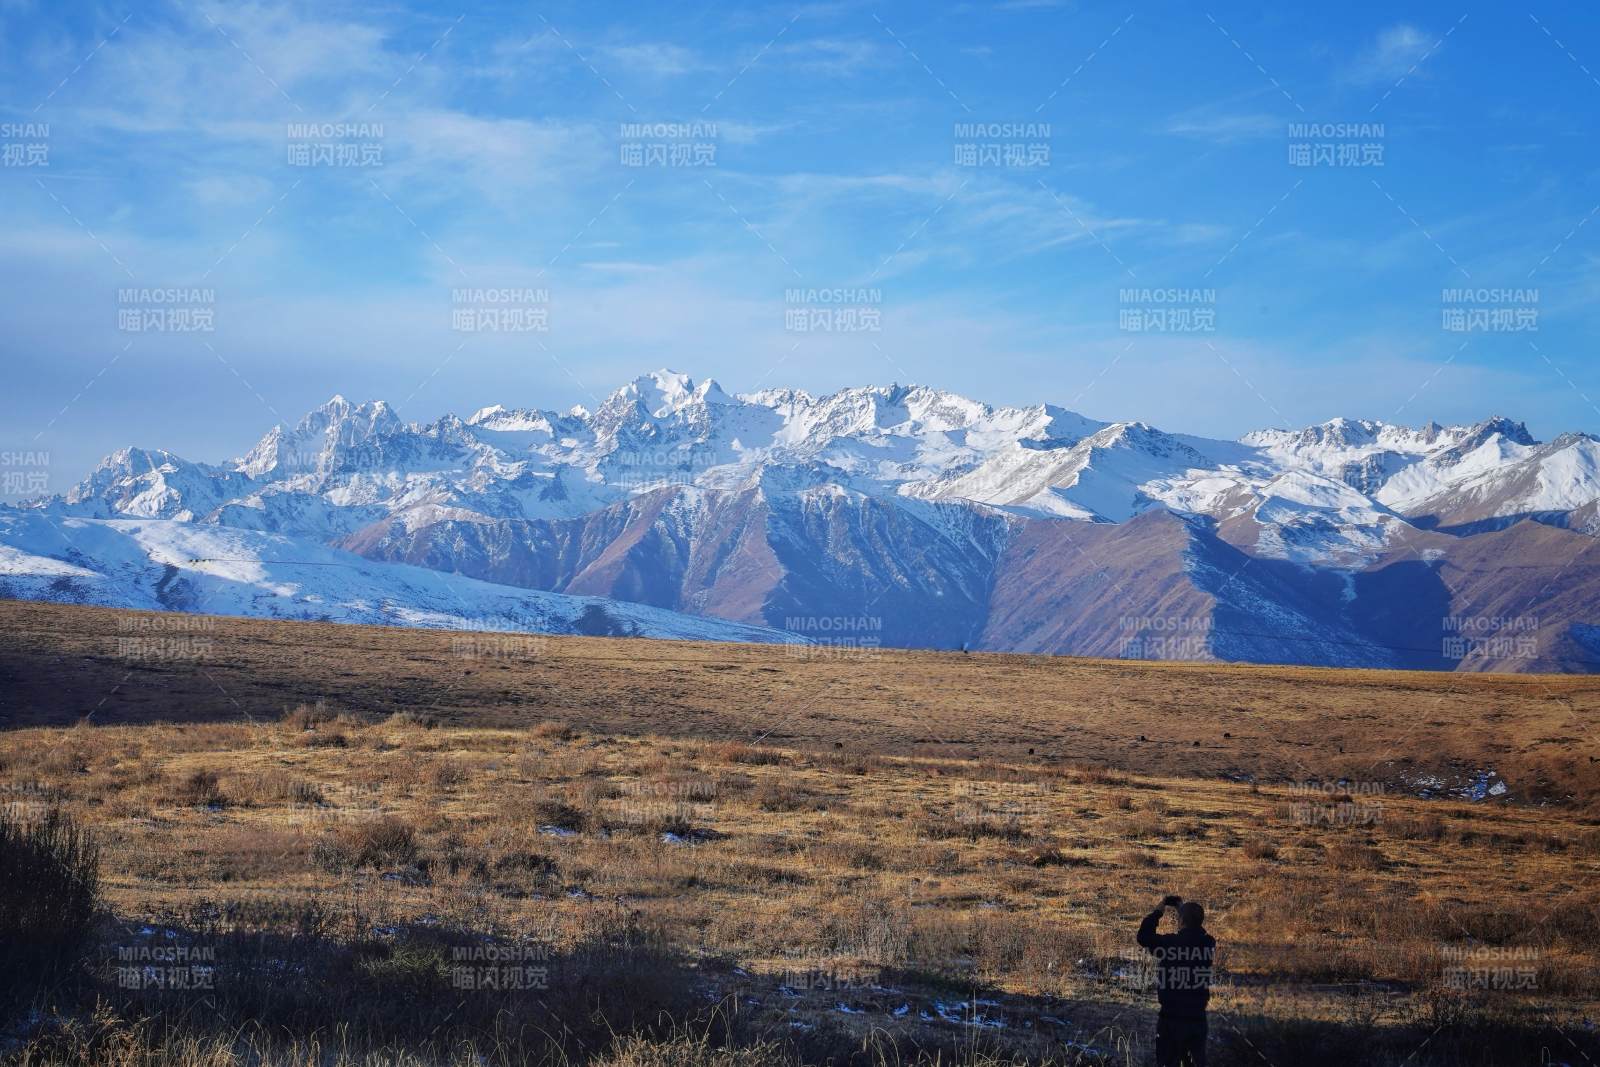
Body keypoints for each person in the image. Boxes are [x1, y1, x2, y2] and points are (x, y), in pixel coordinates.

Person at [1135, 894, 1216, 1067]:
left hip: (1170, 1018)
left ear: (1181, 921)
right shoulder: (1208, 944)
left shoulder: (1169, 944)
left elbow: (1143, 937)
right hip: (1196, 1018)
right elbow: (1195, 930)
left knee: (1167, 1062)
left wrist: (1158, 912)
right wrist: (1184, 912)